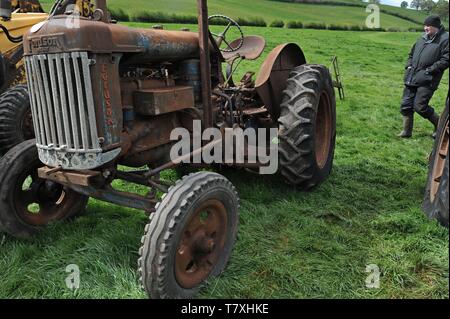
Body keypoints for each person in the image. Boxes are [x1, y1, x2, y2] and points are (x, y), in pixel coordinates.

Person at [399, 15, 449, 138]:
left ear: (435, 27)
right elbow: (411, 54)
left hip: (428, 79)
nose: (425, 28)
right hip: (412, 76)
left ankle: (440, 126)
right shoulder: (422, 38)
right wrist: (409, 66)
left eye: (428, 26)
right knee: (405, 105)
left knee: (420, 107)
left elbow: (446, 59)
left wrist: (429, 70)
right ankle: (406, 132)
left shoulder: (445, 39)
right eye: (425, 25)